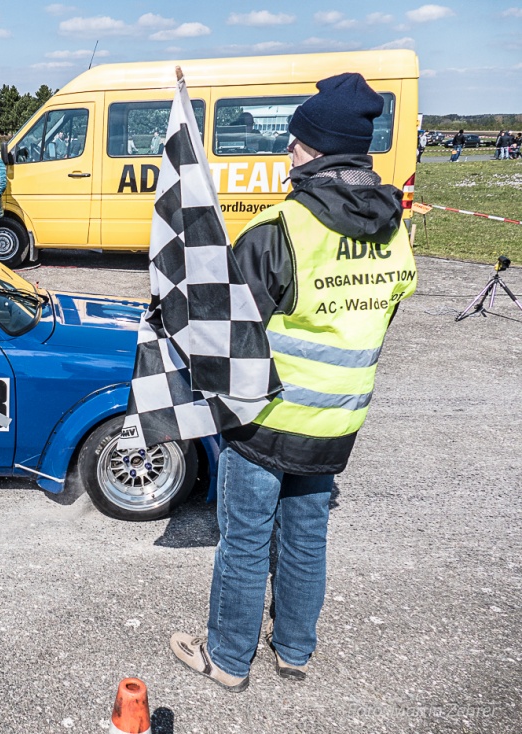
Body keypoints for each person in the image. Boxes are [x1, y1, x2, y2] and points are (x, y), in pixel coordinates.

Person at [169, 72, 417, 693]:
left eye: (291, 143)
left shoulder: (279, 229)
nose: (286, 153)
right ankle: (295, 651)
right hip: (337, 421)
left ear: (308, 149)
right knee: (307, 536)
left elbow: (229, 334)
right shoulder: (396, 231)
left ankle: (227, 658)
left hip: (267, 418)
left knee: (246, 541)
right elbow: (382, 317)